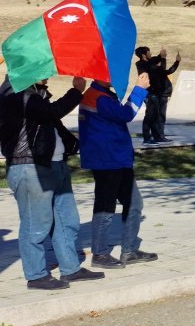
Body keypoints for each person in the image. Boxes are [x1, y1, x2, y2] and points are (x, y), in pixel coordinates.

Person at [0, 74, 103, 289]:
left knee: (67, 220)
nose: (48, 75)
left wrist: (74, 144)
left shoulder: (36, 95)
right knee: (35, 224)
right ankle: (36, 275)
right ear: (27, 69)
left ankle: (70, 269)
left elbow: (52, 124)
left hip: (55, 165)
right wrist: (76, 91)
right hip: (30, 168)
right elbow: (51, 112)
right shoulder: (16, 94)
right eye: (42, 70)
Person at [79, 74, 158, 267]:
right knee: (105, 208)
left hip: (117, 159)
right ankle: (100, 254)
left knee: (134, 204)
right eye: (110, 74)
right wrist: (139, 89)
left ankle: (129, 251)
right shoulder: (99, 97)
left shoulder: (102, 95)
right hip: (107, 161)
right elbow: (126, 114)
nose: (114, 77)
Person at [134, 46, 180, 144]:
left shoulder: (150, 64)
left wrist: (174, 61)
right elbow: (155, 66)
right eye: (149, 53)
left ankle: (157, 137)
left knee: (155, 116)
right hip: (149, 94)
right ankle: (147, 138)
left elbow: (164, 71)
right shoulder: (141, 64)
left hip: (156, 93)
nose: (151, 54)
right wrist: (161, 57)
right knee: (149, 116)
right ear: (143, 55)